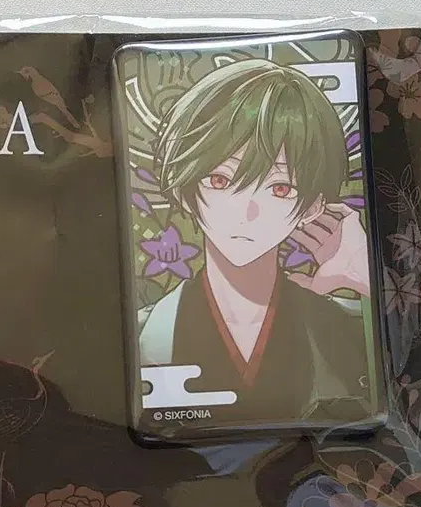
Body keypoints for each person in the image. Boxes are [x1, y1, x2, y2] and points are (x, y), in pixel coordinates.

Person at [139, 58, 374, 426]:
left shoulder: (350, 326)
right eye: (219, 180)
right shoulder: (141, 333)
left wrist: (361, 274)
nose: (246, 212)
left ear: (312, 206)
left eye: (279, 188)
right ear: (186, 188)